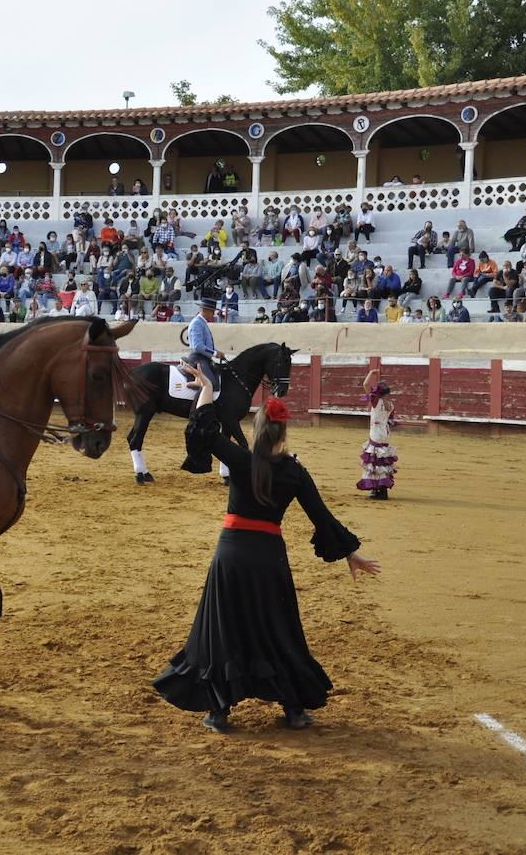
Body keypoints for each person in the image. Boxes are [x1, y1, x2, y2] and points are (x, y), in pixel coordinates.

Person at [152, 363, 380, 732]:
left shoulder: (242, 461)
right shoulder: (294, 471)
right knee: (277, 630)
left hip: (232, 556)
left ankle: (219, 712)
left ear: (257, 429)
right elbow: (321, 517)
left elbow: (205, 432)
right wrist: (350, 554)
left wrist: (207, 389)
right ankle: (293, 710)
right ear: (284, 431)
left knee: (223, 631)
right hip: (269, 557)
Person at [357, 369, 398, 500]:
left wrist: (371, 372)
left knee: (374, 461)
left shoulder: (377, 402)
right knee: (382, 461)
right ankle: (382, 490)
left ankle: (378, 489)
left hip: (376, 433)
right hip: (385, 433)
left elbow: (365, 384)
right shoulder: (390, 405)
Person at [183, 296, 224, 393]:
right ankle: (198, 407)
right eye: (212, 311)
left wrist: (217, 352)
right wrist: (214, 353)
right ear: (205, 310)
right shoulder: (197, 323)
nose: (213, 314)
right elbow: (198, 346)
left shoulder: (202, 322)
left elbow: (206, 345)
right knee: (209, 383)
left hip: (203, 358)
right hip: (198, 358)